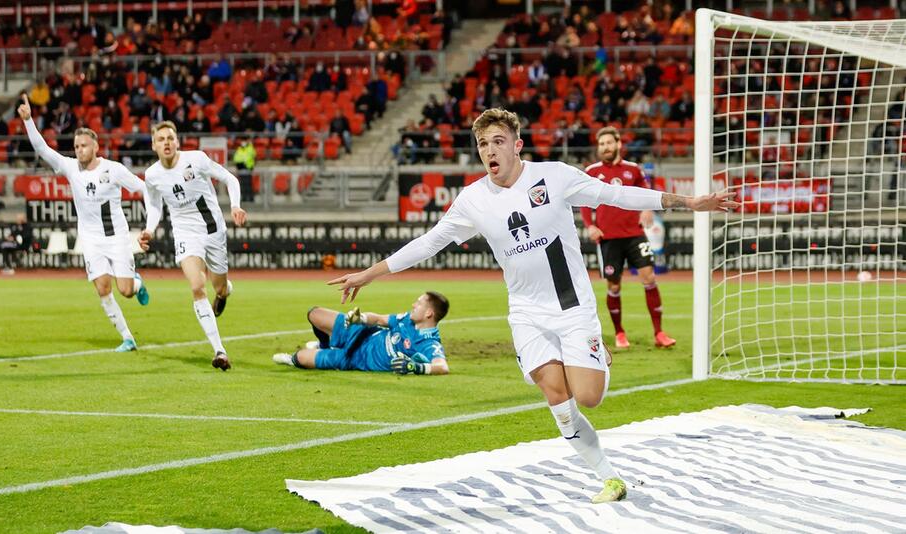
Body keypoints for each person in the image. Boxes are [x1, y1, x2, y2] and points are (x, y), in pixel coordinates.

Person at [328, 108, 738, 504]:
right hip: (526, 313)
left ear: (517, 145)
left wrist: (689, 202)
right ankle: (608, 476)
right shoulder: (472, 199)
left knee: (589, 397)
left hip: (572, 306)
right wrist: (369, 273)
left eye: (498, 141)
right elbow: (429, 242)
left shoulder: (554, 177)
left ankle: (597, 352)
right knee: (558, 400)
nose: (490, 150)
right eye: (483, 143)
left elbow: (617, 195)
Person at [18, 94, 151, 353]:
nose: (79, 150)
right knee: (102, 288)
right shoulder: (69, 167)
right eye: (77, 146)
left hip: (116, 237)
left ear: (96, 147)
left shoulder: (113, 170)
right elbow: (43, 150)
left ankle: (137, 283)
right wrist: (29, 121)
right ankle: (127, 338)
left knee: (124, 290)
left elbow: (144, 188)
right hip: (90, 239)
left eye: (84, 146)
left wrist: (152, 221)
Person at [138, 121, 247, 371]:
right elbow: (154, 205)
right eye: (161, 139)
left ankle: (224, 291)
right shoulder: (152, 175)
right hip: (185, 234)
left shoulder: (196, 159)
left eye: (170, 138)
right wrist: (149, 229)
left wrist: (235, 206)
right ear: (154, 145)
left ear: (177, 142)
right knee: (197, 287)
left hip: (213, 231)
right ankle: (219, 350)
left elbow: (230, 179)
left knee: (218, 287)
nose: (166, 142)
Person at [581, 126, 674, 349]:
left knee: (649, 278)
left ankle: (659, 333)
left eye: (609, 143)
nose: (605, 147)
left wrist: (648, 209)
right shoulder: (592, 172)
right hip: (608, 238)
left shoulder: (633, 170)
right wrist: (590, 225)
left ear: (618, 144)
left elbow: (646, 192)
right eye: (601, 144)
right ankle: (620, 333)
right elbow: (585, 201)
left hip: (634, 234)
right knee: (613, 287)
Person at [272, 292, 450, 375]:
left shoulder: (429, 343)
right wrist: (361, 318)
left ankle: (306, 356)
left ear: (429, 313)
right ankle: (324, 345)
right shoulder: (407, 319)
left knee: (300, 358)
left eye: (419, 304)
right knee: (314, 313)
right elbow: (379, 319)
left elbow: (442, 367)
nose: (413, 305)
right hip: (360, 333)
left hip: (356, 359)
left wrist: (416, 367)